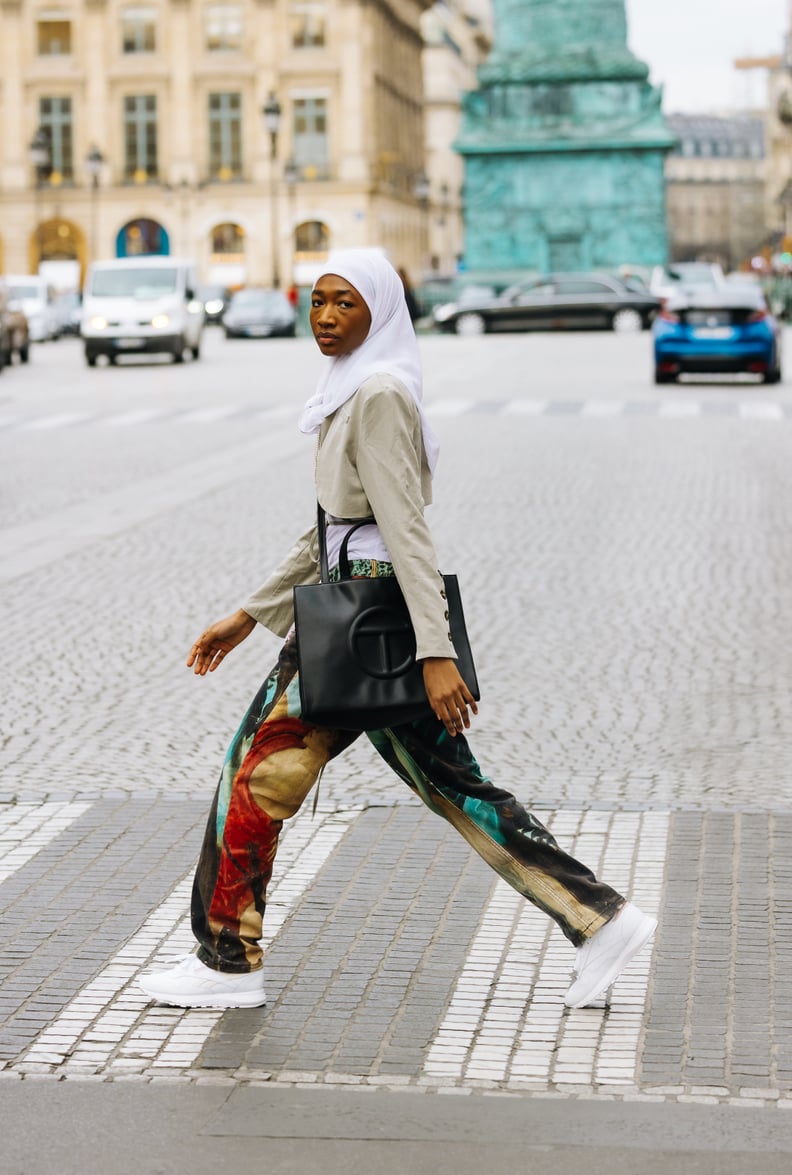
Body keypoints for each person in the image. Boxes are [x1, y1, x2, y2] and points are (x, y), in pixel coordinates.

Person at [138, 249, 656, 1012]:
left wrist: (436, 651)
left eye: (345, 303)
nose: (325, 316)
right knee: (460, 790)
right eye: (317, 301)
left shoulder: (377, 393)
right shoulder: (351, 390)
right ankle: (601, 919)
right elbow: (331, 530)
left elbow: (403, 530)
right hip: (363, 612)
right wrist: (249, 614)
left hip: (365, 619)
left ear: (379, 310)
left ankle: (227, 959)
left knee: (250, 778)